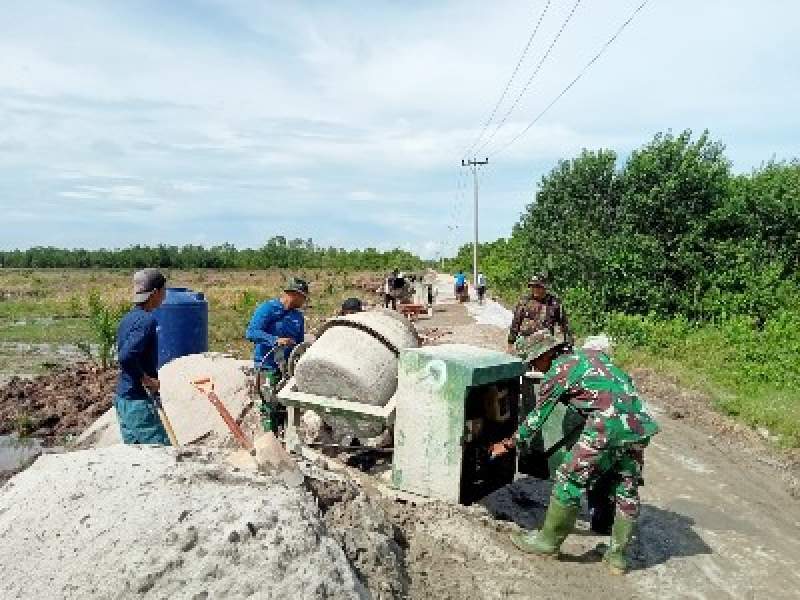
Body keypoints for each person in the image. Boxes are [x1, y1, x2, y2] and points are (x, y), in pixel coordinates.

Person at [490, 331, 659, 574]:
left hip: (606, 426)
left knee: (569, 479)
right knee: (626, 487)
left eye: (534, 362)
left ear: (546, 354)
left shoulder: (558, 372)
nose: (534, 368)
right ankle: (617, 557)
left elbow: (536, 419)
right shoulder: (593, 356)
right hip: (638, 427)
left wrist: (508, 444)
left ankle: (547, 543)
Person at [114, 268, 170, 445]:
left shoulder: (128, 318)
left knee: (136, 452)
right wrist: (146, 379)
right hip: (137, 401)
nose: (165, 295)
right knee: (161, 451)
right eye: (164, 290)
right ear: (155, 293)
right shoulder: (147, 321)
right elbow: (126, 357)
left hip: (123, 398)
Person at [246, 277, 308, 431]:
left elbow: (299, 345)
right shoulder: (268, 309)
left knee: (285, 406)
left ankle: (284, 435)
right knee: (269, 405)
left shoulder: (298, 317)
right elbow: (252, 332)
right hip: (267, 367)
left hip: (287, 370)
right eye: (303, 298)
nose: (304, 302)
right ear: (294, 294)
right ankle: (269, 438)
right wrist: (275, 340)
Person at [507, 273, 570, 357]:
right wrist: (510, 343)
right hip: (525, 341)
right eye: (532, 287)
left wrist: (568, 345)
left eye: (537, 286)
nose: (535, 289)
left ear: (544, 287)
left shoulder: (554, 304)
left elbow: (564, 326)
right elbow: (516, 323)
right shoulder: (525, 302)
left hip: (545, 344)